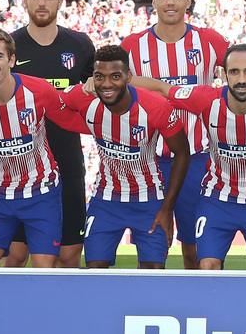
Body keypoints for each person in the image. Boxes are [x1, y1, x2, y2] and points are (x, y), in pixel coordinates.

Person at [132, 44, 246, 270]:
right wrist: (113, 83)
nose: (241, 79)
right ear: (223, 74)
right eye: (234, 72)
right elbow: (164, 89)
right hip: (218, 200)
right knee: (208, 266)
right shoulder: (205, 99)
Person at [120, 0, 229, 269]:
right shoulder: (132, 45)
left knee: (195, 251)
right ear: (152, 1)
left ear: (189, 1)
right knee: (152, 248)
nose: (170, 2)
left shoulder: (210, 41)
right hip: (148, 161)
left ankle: (198, 311)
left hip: (198, 160)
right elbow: (114, 82)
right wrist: (169, 90)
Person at [0, 29, 88, 270]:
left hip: (42, 194)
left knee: (44, 271)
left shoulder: (38, 91)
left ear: (12, 60)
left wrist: (114, 126)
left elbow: (71, 121)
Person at [62, 45, 190, 268]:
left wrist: (167, 208)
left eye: (115, 76)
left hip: (149, 201)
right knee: (95, 272)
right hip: (106, 201)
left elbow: (182, 152)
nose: (107, 84)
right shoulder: (84, 98)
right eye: (99, 76)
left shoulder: (155, 106)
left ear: (128, 77)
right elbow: (50, 102)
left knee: (153, 274)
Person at [5, 0, 95, 268]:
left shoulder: (80, 45)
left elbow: (93, 97)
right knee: (16, 255)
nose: (41, 3)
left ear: (59, 2)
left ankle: (67, 316)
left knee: (69, 256)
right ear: (25, 1)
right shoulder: (9, 47)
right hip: (20, 169)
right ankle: (13, 316)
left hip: (67, 163)